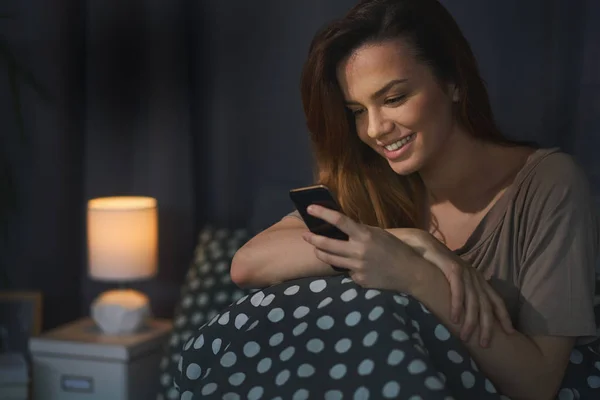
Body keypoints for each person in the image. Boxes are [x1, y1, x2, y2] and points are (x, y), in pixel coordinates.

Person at [178, 0, 599, 398]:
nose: (375, 129)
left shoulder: (550, 184)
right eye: (357, 111)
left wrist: (415, 275)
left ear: (453, 82)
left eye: (393, 98)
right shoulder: (371, 183)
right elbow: (248, 264)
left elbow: (539, 383)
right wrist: (408, 241)